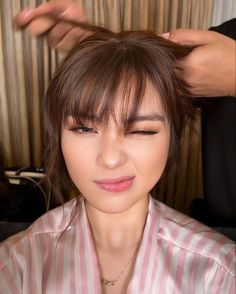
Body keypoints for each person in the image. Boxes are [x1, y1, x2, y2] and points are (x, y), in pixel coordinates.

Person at [0, 25, 235, 293]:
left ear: (172, 136)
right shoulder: (15, 266)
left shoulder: (219, 271)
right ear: (58, 134)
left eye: (141, 130)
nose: (110, 159)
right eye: (85, 128)